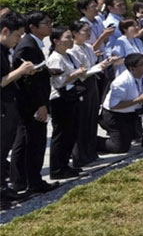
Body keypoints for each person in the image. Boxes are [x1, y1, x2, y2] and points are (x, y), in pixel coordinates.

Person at [10, 12, 56, 195]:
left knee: (25, 140)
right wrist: (40, 105)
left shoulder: (33, 44)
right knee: (32, 142)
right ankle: (31, 181)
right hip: (31, 104)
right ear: (33, 27)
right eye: (46, 23)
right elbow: (29, 81)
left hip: (31, 102)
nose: (50, 26)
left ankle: (21, 180)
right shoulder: (28, 46)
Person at [0, 13, 38, 208]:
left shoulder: (4, 49)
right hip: (2, 109)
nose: (19, 40)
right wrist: (20, 71)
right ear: (5, 31)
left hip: (9, 105)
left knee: (4, 149)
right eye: (17, 35)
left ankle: (3, 189)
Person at [46, 26, 91, 179]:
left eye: (71, 37)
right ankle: (57, 168)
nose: (71, 40)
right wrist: (74, 74)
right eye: (67, 37)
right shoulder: (55, 58)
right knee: (61, 134)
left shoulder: (68, 55)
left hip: (72, 97)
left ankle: (65, 165)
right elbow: (58, 83)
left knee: (71, 133)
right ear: (56, 41)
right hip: (59, 99)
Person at [69, 20, 108, 168]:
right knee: (82, 121)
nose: (88, 33)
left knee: (92, 118)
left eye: (89, 30)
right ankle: (80, 155)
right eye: (85, 31)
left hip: (92, 83)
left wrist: (102, 64)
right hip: (82, 85)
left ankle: (91, 152)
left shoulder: (88, 47)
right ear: (75, 33)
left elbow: (91, 64)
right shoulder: (72, 49)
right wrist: (97, 67)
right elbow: (80, 72)